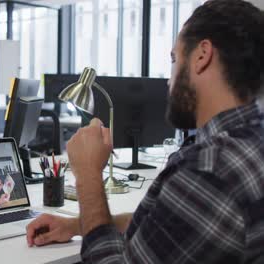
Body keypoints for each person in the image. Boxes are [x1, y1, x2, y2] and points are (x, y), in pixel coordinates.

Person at [26, 0, 264, 263]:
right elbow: (169, 228)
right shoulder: (250, 144)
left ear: (201, 55)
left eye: (174, 59)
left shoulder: (209, 170)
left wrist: (88, 175)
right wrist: (78, 225)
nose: (168, 79)